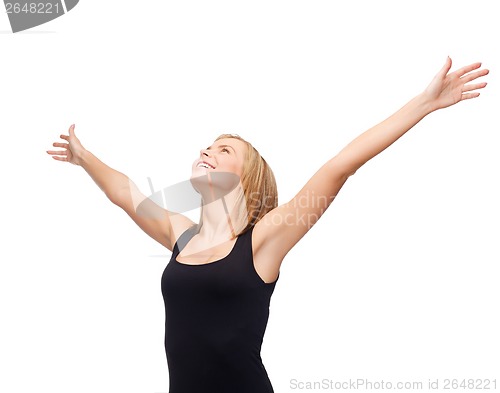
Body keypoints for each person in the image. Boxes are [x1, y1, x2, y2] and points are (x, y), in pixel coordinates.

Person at [46, 57, 488, 393]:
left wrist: (423, 104)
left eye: (223, 151)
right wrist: (84, 157)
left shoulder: (263, 242)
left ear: (247, 177)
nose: (207, 152)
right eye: (207, 147)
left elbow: (340, 166)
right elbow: (126, 193)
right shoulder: (181, 236)